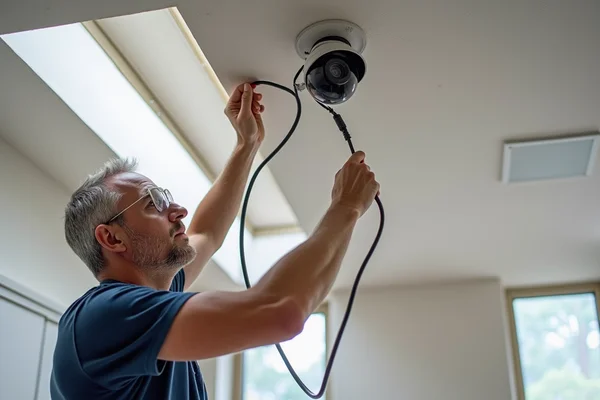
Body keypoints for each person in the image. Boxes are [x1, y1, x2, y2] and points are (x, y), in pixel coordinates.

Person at [50, 82, 380, 399]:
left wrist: (247, 143)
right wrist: (346, 208)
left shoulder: (147, 302)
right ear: (112, 237)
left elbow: (206, 232)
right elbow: (281, 312)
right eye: (155, 204)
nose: (178, 209)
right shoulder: (105, 316)